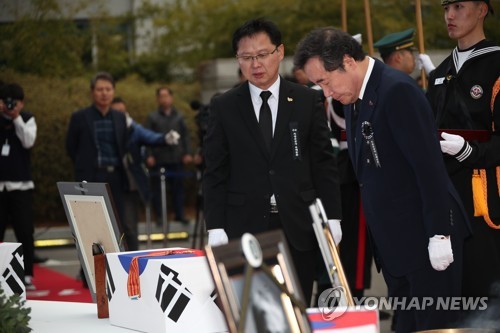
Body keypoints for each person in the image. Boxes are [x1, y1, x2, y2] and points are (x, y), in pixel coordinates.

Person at [294, 27, 471, 332]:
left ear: (348, 61)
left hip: (426, 240)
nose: (325, 92)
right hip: (395, 246)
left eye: (324, 81)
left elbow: (428, 168)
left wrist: (440, 234)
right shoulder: (354, 97)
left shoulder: (396, 90)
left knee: (434, 326)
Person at [202, 18, 342, 304]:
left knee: (297, 304)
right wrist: (214, 226)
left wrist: (334, 216)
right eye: (246, 57)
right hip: (243, 226)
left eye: (262, 54)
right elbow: (215, 171)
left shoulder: (306, 101)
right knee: (252, 309)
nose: (256, 64)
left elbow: (323, 164)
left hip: (297, 223)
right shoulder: (224, 106)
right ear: (237, 60)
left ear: (279, 52)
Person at [426, 0, 500, 309]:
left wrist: (470, 150)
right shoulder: (440, 73)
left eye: (458, 6)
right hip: (447, 199)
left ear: (482, 9)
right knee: (456, 301)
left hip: (488, 199)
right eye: (445, 8)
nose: (449, 16)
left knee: (488, 297)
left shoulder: (496, 64)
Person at [66, 72, 129, 247]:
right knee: (89, 224)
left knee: (117, 223)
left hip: (115, 176)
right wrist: (83, 166)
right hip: (91, 177)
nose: (104, 93)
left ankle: (114, 265)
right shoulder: (80, 117)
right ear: (92, 92)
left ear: (113, 92)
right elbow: (71, 146)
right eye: (100, 89)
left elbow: (123, 145)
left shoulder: (119, 117)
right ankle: (87, 268)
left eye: (108, 89)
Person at [111, 97, 172, 251]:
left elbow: (150, 137)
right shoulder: (105, 130)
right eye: (116, 112)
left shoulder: (133, 129)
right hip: (108, 183)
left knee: (129, 226)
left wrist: (165, 138)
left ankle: (132, 262)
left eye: (122, 112)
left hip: (129, 184)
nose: (120, 115)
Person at [0, 82, 37, 290]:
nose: (10, 105)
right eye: (6, 102)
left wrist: (16, 119)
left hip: (21, 185)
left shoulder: (27, 118)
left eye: (14, 102)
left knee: (24, 231)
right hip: (0, 187)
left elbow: (28, 141)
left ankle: (28, 273)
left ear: (21, 103)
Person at [144, 87, 193, 225]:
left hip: (176, 157)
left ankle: (179, 214)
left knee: (178, 188)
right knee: (158, 190)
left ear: (171, 97)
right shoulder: (152, 117)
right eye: (161, 96)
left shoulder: (179, 116)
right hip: (159, 158)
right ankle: (160, 216)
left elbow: (186, 136)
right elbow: (146, 137)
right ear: (158, 99)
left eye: (167, 96)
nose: (164, 99)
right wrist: (149, 155)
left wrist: (187, 153)